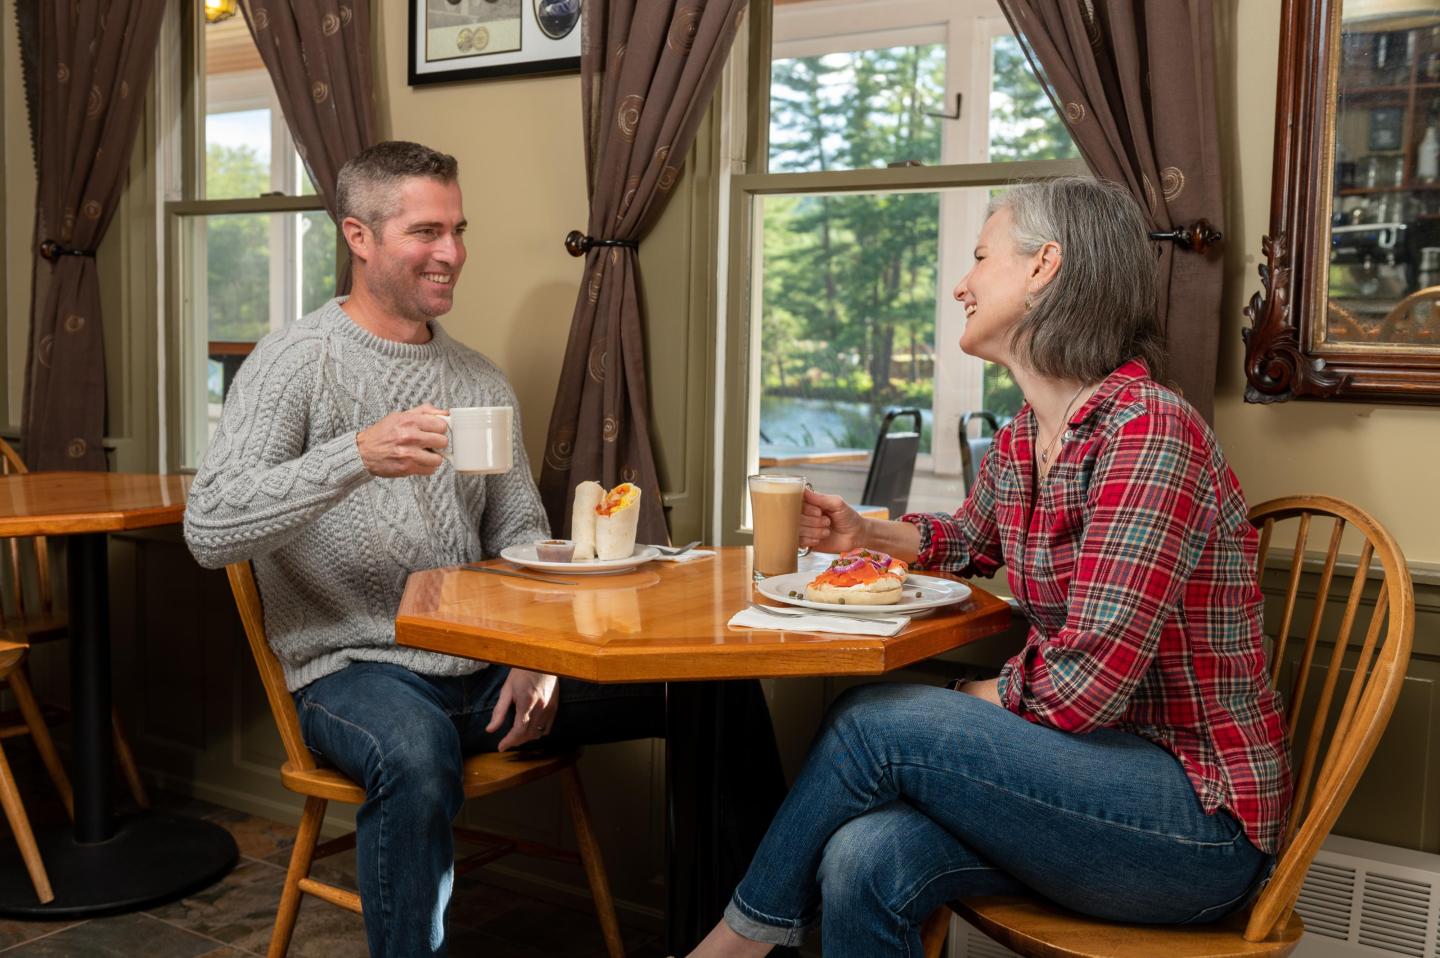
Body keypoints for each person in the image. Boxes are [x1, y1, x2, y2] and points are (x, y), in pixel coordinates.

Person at [689, 177, 1292, 958]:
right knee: (861, 858)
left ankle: (727, 949)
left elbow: (1089, 682)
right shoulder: (1026, 437)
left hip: (1193, 818)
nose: (961, 284)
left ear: (1045, 267)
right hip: (1083, 779)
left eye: (980, 257)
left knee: (872, 723)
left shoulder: (1149, 430)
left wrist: (970, 694)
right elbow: (970, 539)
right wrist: (860, 532)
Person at [184, 141, 685, 956]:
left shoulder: (479, 380)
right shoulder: (293, 364)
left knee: (701, 689)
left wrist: (537, 653)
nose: (451, 252)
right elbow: (210, 527)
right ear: (359, 236)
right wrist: (354, 456)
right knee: (417, 757)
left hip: (486, 666)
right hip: (352, 669)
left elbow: (521, 535)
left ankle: (735, 935)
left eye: (458, 229)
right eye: (425, 231)